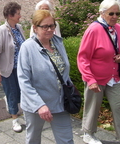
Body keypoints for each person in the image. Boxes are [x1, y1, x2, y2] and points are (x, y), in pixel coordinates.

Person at [77, 0, 120, 144]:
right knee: (93, 106)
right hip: (96, 77)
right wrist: (90, 79)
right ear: (102, 13)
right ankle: (88, 134)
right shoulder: (93, 30)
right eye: (111, 14)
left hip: (114, 77)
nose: (115, 17)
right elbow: (83, 57)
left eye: (117, 14)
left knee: (118, 106)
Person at [18, 10, 74, 144]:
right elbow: (23, 80)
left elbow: (64, 71)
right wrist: (39, 105)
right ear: (35, 28)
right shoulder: (27, 47)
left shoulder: (58, 43)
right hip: (36, 105)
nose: (50, 29)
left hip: (60, 102)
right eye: (45, 26)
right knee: (33, 139)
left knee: (66, 140)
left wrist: (69, 92)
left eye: (52, 26)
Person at [0, 2, 25, 132]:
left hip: (22, 69)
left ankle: (25, 114)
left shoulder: (19, 28)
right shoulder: (2, 30)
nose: (20, 16)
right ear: (11, 15)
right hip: (8, 69)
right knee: (12, 94)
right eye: (18, 13)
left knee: (23, 93)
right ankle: (15, 120)